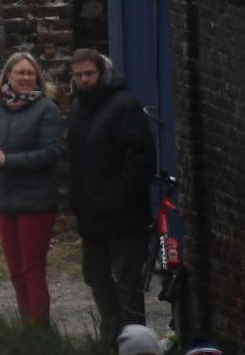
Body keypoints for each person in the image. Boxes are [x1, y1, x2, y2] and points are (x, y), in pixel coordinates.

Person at [67, 49, 156, 351]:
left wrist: (117, 199)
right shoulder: (78, 110)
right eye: (78, 75)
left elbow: (141, 159)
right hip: (92, 219)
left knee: (128, 285)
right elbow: (77, 163)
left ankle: (135, 347)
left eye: (89, 74)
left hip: (124, 218)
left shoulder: (124, 106)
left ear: (101, 74)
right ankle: (110, 344)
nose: (83, 80)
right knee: (98, 281)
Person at [0, 52, 64, 327]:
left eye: (31, 73)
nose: (26, 78)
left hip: (36, 201)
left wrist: (7, 161)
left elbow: (51, 153)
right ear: (8, 76)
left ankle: (39, 330)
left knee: (32, 269)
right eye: (21, 73)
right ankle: (26, 329)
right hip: (5, 200)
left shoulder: (46, 110)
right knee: (15, 271)